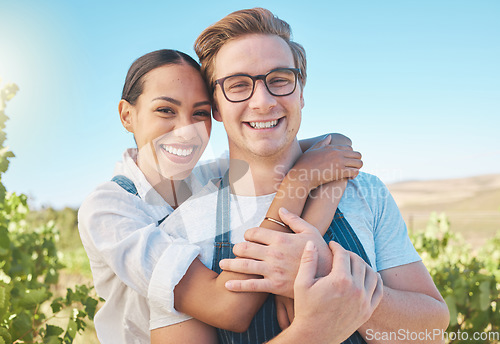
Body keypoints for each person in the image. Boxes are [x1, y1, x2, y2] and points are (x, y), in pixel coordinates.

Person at [151, 7, 449, 344]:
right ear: (216, 107)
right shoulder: (182, 231)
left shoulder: (364, 191)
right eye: (237, 85)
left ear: (301, 92)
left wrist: (322, 269)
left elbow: (432, 331)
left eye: (279, 80)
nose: (262, 102)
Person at [78, 49, 363, 343]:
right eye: (166, 110)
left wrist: (303, 252)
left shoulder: (205, 177)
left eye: (199, 113)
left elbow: (335, 146)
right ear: (127, 115)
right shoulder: (109, 209)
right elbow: (227, 308)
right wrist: (296, 184)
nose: (186, 131)